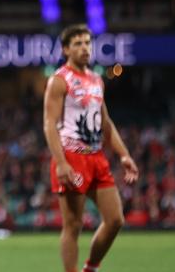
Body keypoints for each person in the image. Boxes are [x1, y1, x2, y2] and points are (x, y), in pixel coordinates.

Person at [43, 24, 139, 272]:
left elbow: (105, 122)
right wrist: (61, 162)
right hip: (71, 156)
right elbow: (49, 124)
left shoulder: (97, 79)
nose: (85, 47)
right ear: (66, 49)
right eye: (78, 43)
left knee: (115, 219)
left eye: (87, 42)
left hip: (96, 157)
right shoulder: (59, 80)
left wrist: (124, 154)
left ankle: (91, 268)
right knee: (73, 225)